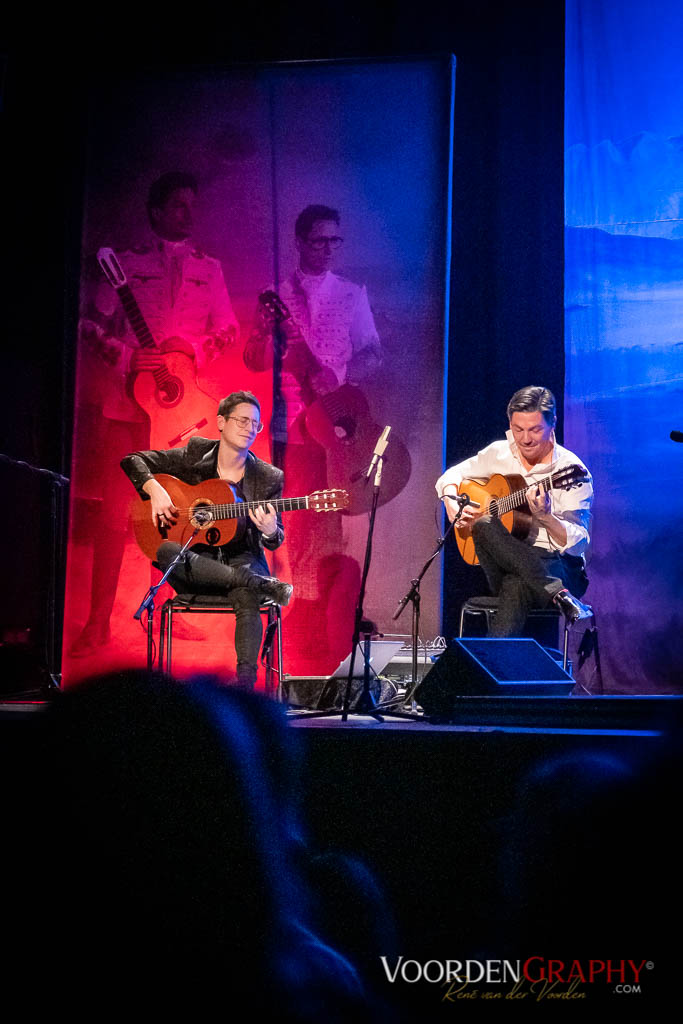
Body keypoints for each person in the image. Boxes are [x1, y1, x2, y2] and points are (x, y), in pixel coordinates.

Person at [70, 172, 239, 657]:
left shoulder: (211, 268)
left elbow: (226, 329)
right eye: (178, 205)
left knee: (172, 513)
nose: (189, 214)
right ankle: (97, 623)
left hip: (179, 412)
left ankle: (165, 607)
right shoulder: (124, 263)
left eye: (193, 205)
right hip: (125, 408)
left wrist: (193, 349)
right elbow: (89, 324)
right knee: (112, 518)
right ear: (156, 212)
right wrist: (125, 354)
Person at [244, 205, 382, 671]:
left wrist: (339, 373)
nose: (328, 249)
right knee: (296, 520)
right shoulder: (277, 295)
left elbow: (373, 355)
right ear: (300, 241)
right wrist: (265, 336)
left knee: (331, 521)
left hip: (336, 428)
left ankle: (322, 624)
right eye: (320, 240)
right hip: (291, 427)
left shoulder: (350, 293)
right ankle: (295, 620)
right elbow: (254, 360)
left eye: (335, 241)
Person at [121, 391, 292, 688]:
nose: (249, 428)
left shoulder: (268, 476)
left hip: (243, 559)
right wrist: (154, 489)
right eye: (242, 420)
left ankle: (245, 689)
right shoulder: (195, 454)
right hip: (196, 566)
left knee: (247, 591)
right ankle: (256, 582)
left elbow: (275, 539)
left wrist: (269, 531)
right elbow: (132, 459)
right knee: (166, 550)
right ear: (221, 423)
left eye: (256, 424)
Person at [435, 386, 593, 636]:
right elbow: (450, 476)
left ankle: (484, 672)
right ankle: (556, 594)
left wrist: (546, 518)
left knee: (515, 584)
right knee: (484, 523)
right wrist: (451, 504)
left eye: (535, 429)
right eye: (518, 429)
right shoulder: (498, 453)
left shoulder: (572, 471)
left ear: (553, 423)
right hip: (509, 561)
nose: (526, 439)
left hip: (561, 568)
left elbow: (579, 545)